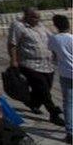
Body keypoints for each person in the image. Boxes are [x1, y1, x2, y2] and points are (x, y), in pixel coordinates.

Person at [7, 7, 64, 126]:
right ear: (26, 16)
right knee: (43, 89)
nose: (37, 20)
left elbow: (52, 39)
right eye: (34, 17)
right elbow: (13, 44)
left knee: (45, 89)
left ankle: (32, 103)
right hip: (30, 64)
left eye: (38, 17)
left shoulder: (41, 26)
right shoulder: (18, 26)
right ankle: (53, 113)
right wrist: (13, 61)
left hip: (48, 64)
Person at [48, 14, 72, 143]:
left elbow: (54, 56)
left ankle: (70, 132)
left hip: (65, 74)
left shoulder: (53, 39)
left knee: (68, 104)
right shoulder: (72, 39)